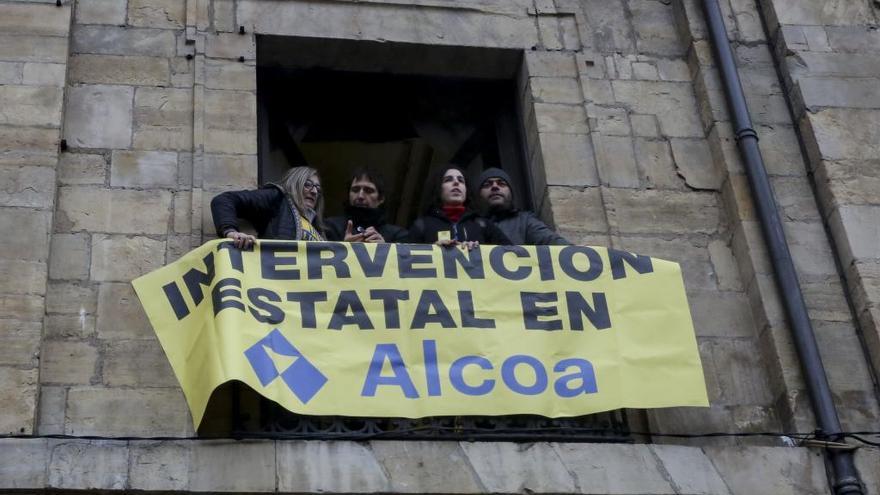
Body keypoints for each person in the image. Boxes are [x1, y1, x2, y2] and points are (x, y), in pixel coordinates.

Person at [211, 166, 325, 249]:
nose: (314, 191)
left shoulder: (317, 226)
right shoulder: (279, 199)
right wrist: (231, 232)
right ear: (294, 185)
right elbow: (223, 200)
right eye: (308, 185)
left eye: (318, 189)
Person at [407, 166, 510, 249]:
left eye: (461, 181)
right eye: (448, 180)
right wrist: (433, 250)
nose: (456, 182)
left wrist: (480, 251)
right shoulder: (422, 225)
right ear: (438, 189)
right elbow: (404, 262)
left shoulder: (483, 225)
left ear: (466, 190)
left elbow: (512, 255)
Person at [477, 167, 570, 245]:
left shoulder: (524, 221)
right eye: (487, 184)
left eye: (501, 183)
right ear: (478, 196)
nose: (494, 187)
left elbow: (552, 242)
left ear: (511, 193)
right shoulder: (471, 224)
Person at [324, 168, 408, 243]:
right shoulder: (329, 227)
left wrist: (384, 251)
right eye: (355, 190)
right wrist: (343, 248)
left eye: (368, 190)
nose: (360, 196)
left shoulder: (398, 235)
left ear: (381, 198)